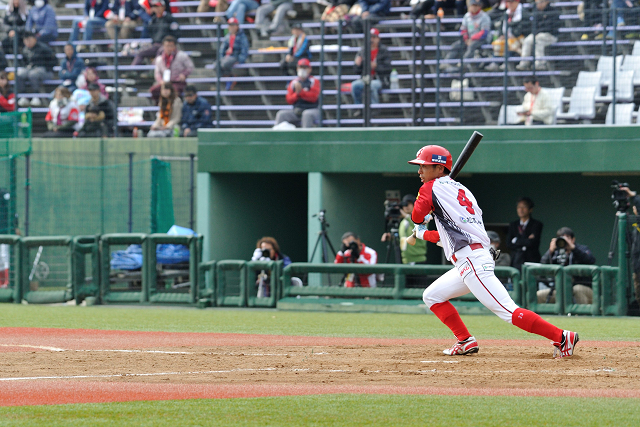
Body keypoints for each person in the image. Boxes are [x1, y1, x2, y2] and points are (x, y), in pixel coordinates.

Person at [408, 144, 579, 358]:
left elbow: (416, 216)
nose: (419, 171)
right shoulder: (462, 191)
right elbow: (447, 234)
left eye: (424, 166)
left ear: (439, 168)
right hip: (472, 256)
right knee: (432, 296)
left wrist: (421, 220)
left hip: (471, 259)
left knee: (507, 310)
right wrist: (424, 231)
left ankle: (562, 337)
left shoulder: (430, 189)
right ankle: (465, 340)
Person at [537, 227, 596, 304]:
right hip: (560, 290)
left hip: (582, 287)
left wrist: (573, 248)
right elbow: (543, 265)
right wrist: (550, 251)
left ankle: (581, 315)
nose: (564, 241)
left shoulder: (581, 249)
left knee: (577, 289)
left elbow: (590, 260)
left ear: (573, 239)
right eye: (561, 239)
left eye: (567, 238)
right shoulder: (556, 252)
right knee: (538, 296)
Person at [440, 0, 490, 72]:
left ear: (479, 7)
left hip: (482, 39)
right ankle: (447, 62)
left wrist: (472, 38)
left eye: (476, 5)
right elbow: (463, 30)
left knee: (472, 46)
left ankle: (463, 63)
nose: (474, 7)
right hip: (468, 39)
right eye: (473, 5)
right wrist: (466, 39)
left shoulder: (484, 16)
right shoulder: (467, 16)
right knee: (455, 45)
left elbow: (484, 32)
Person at [351, 27, 391, 117]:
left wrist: (376, 67)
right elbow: (356, 71)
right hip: (365, 78)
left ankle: (375, 108)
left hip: (380, 79)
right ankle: (359, 108)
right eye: (370, 37)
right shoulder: (363, 50)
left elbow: (388, 68)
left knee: (372, 85)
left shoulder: (384, 51)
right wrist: (357, 64)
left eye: (374, 37)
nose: (372, 39)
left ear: (378, 38)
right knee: (355, 85)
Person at [274, 58, 320, 128]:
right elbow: (289, 99)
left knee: (306, 114)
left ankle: (305, 137)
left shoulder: (314, 81)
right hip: (297, 110)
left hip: (312, 109)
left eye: (305, 67)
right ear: (297, 68)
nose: (302, 69)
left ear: (310, 69)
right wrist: (297, 94)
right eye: (301, 67)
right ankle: (277, 137)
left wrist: (301, 92)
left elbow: (313, 98)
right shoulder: (294, 82)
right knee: (281, 114)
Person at [131, 0, 178, 66]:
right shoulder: (153, 20)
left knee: (160, 53)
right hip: (155, 44)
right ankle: (133, 70)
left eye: (158, 6)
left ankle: (152, 72)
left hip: (166, 45)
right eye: (155, 7)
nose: (157, 9)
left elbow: (176, 34)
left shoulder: (170, 18)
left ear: (163, 7)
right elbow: (150, 33)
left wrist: (169, 43)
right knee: (141, 53)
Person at [16, 31, 57, 107]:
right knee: (19, 74)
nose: (28, 42)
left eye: (29, 40)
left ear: (34, 39)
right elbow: (23, 62)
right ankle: (24, 96)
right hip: (30, 69)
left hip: (45, 71)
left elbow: (54, 60)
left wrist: (46, 67)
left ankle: (36, 96)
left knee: (33, 74)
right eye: (26, 40)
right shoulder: (25, 50)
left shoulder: (43, 48)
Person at [516, 0, 558, 71]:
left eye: (541, 2)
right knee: (527, 40)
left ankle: (540, 63)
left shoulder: (553, 11)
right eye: (537, 3)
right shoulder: (535, 12)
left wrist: (539, 31)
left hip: (550, 35)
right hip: (538, 34)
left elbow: (551, 27)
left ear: (546, 2)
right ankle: (524, 62)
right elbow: (533, 26)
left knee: (538, 40)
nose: (539, 4)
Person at [151, 35, 194, 102]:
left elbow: (190, 67)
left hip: (178, 82)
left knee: (174, 91)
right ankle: (161, 106)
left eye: (171, 46)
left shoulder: (182, 56)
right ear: (163, 46)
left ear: (175, 46)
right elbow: (157, 73)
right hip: (165, 83)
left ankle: (173, 107)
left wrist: (184, 74)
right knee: (154, 90)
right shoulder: (159, 59)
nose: (169, 48)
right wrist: (161, 81)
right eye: (167, 46)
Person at [486, 0, 525, 71]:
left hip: (520, 37)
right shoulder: (506, 13)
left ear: (517, 2)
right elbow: (501, 27)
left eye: (512, 2)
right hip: (508, 38)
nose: (510, 4)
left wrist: (513, 33)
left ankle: (507, 62)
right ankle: (496, 62)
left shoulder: (523, 12)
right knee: (497, 42)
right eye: (508, 2)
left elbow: (524, 27)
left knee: (509, 43)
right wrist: (501, 35)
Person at [506, 196, 543, 271]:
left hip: (532, 259)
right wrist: (526, 241)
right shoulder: (513, 225)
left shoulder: (537, 224)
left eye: (524, 207)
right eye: (519, 207)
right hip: (515, 260)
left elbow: (533, 243)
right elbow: (508, 243)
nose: (521, 210)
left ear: (530, 209)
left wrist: (516, 240)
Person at [218, 17, 249, 89]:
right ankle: (227, 79)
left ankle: (230, 79)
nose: (231, 27)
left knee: (225, 63)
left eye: (233, 25)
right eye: (230, 25)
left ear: (237, 26)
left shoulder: (242, 36)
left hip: (235, 56)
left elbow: (244, 49)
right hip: (227, 57)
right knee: (216, 65)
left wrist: (240, 60)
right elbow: (222, 48)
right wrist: (221, 57)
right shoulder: (228, 36)